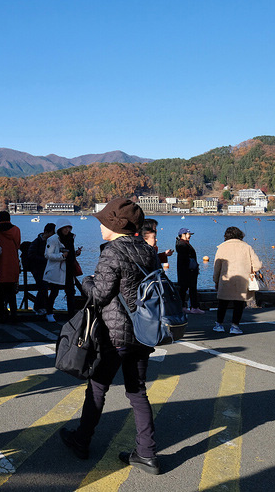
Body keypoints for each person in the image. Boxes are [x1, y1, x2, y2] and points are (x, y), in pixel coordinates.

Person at [60, 198, 162, 475]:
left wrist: (85, 280)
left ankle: (81, 441)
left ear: (114, 225)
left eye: (103, 221)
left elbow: (100, 294)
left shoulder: (112, 251)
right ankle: (147, 453)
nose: (100, 226)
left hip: (113, 335)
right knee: (137, 392)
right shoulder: (147, 249)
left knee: (97, 388)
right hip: (143, 331)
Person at [212, 226, 262, 335]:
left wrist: (216, 280)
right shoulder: (247, 247)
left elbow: (217, 266)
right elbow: (257, 265)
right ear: (240, 235)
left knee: (223, 303)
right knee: (239, 304)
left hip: (226, 280)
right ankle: (235, 326)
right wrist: (252, 270)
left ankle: (219, 324)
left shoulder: (222, 247)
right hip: (242, 280)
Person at [43, 220, 82, 322]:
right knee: (54, 292)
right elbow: (47, 255)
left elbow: (69, 253)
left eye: (69, 228)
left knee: (70, 292)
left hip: (68, 269)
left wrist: (76, 253)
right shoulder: (53, 239)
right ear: (60, 228)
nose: (67, 230)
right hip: (57, 270)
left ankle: (71, 314)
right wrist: (61, 256)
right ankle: (49, 313)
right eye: (65, 228)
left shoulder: (70, 238)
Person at [0, 210, 21, 322]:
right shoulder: (16, 230)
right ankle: (13, 315)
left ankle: (0, 314)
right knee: (12, 294)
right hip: (12, 263)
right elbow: (17, 245)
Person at [29, 222, 56, 316]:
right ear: (46, 232)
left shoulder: (49, 242)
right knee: (43, 288)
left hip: (46, 269)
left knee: (44, 288)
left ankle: (42, 307)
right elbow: (31, 256)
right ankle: (38, 307)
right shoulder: (36, 242)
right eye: (52, 233)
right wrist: (45, 259)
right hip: (37, 269)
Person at [175, 227, 203, 314]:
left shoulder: (182, 244)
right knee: (191, 288)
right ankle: (193, 307)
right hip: (188, 271)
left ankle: (183, 306)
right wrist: (192, 267)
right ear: (183, 235)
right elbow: (186, 258)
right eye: (188, 234)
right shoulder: (182, 245)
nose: (190, 236)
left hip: (186, 270)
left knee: (184, 288)